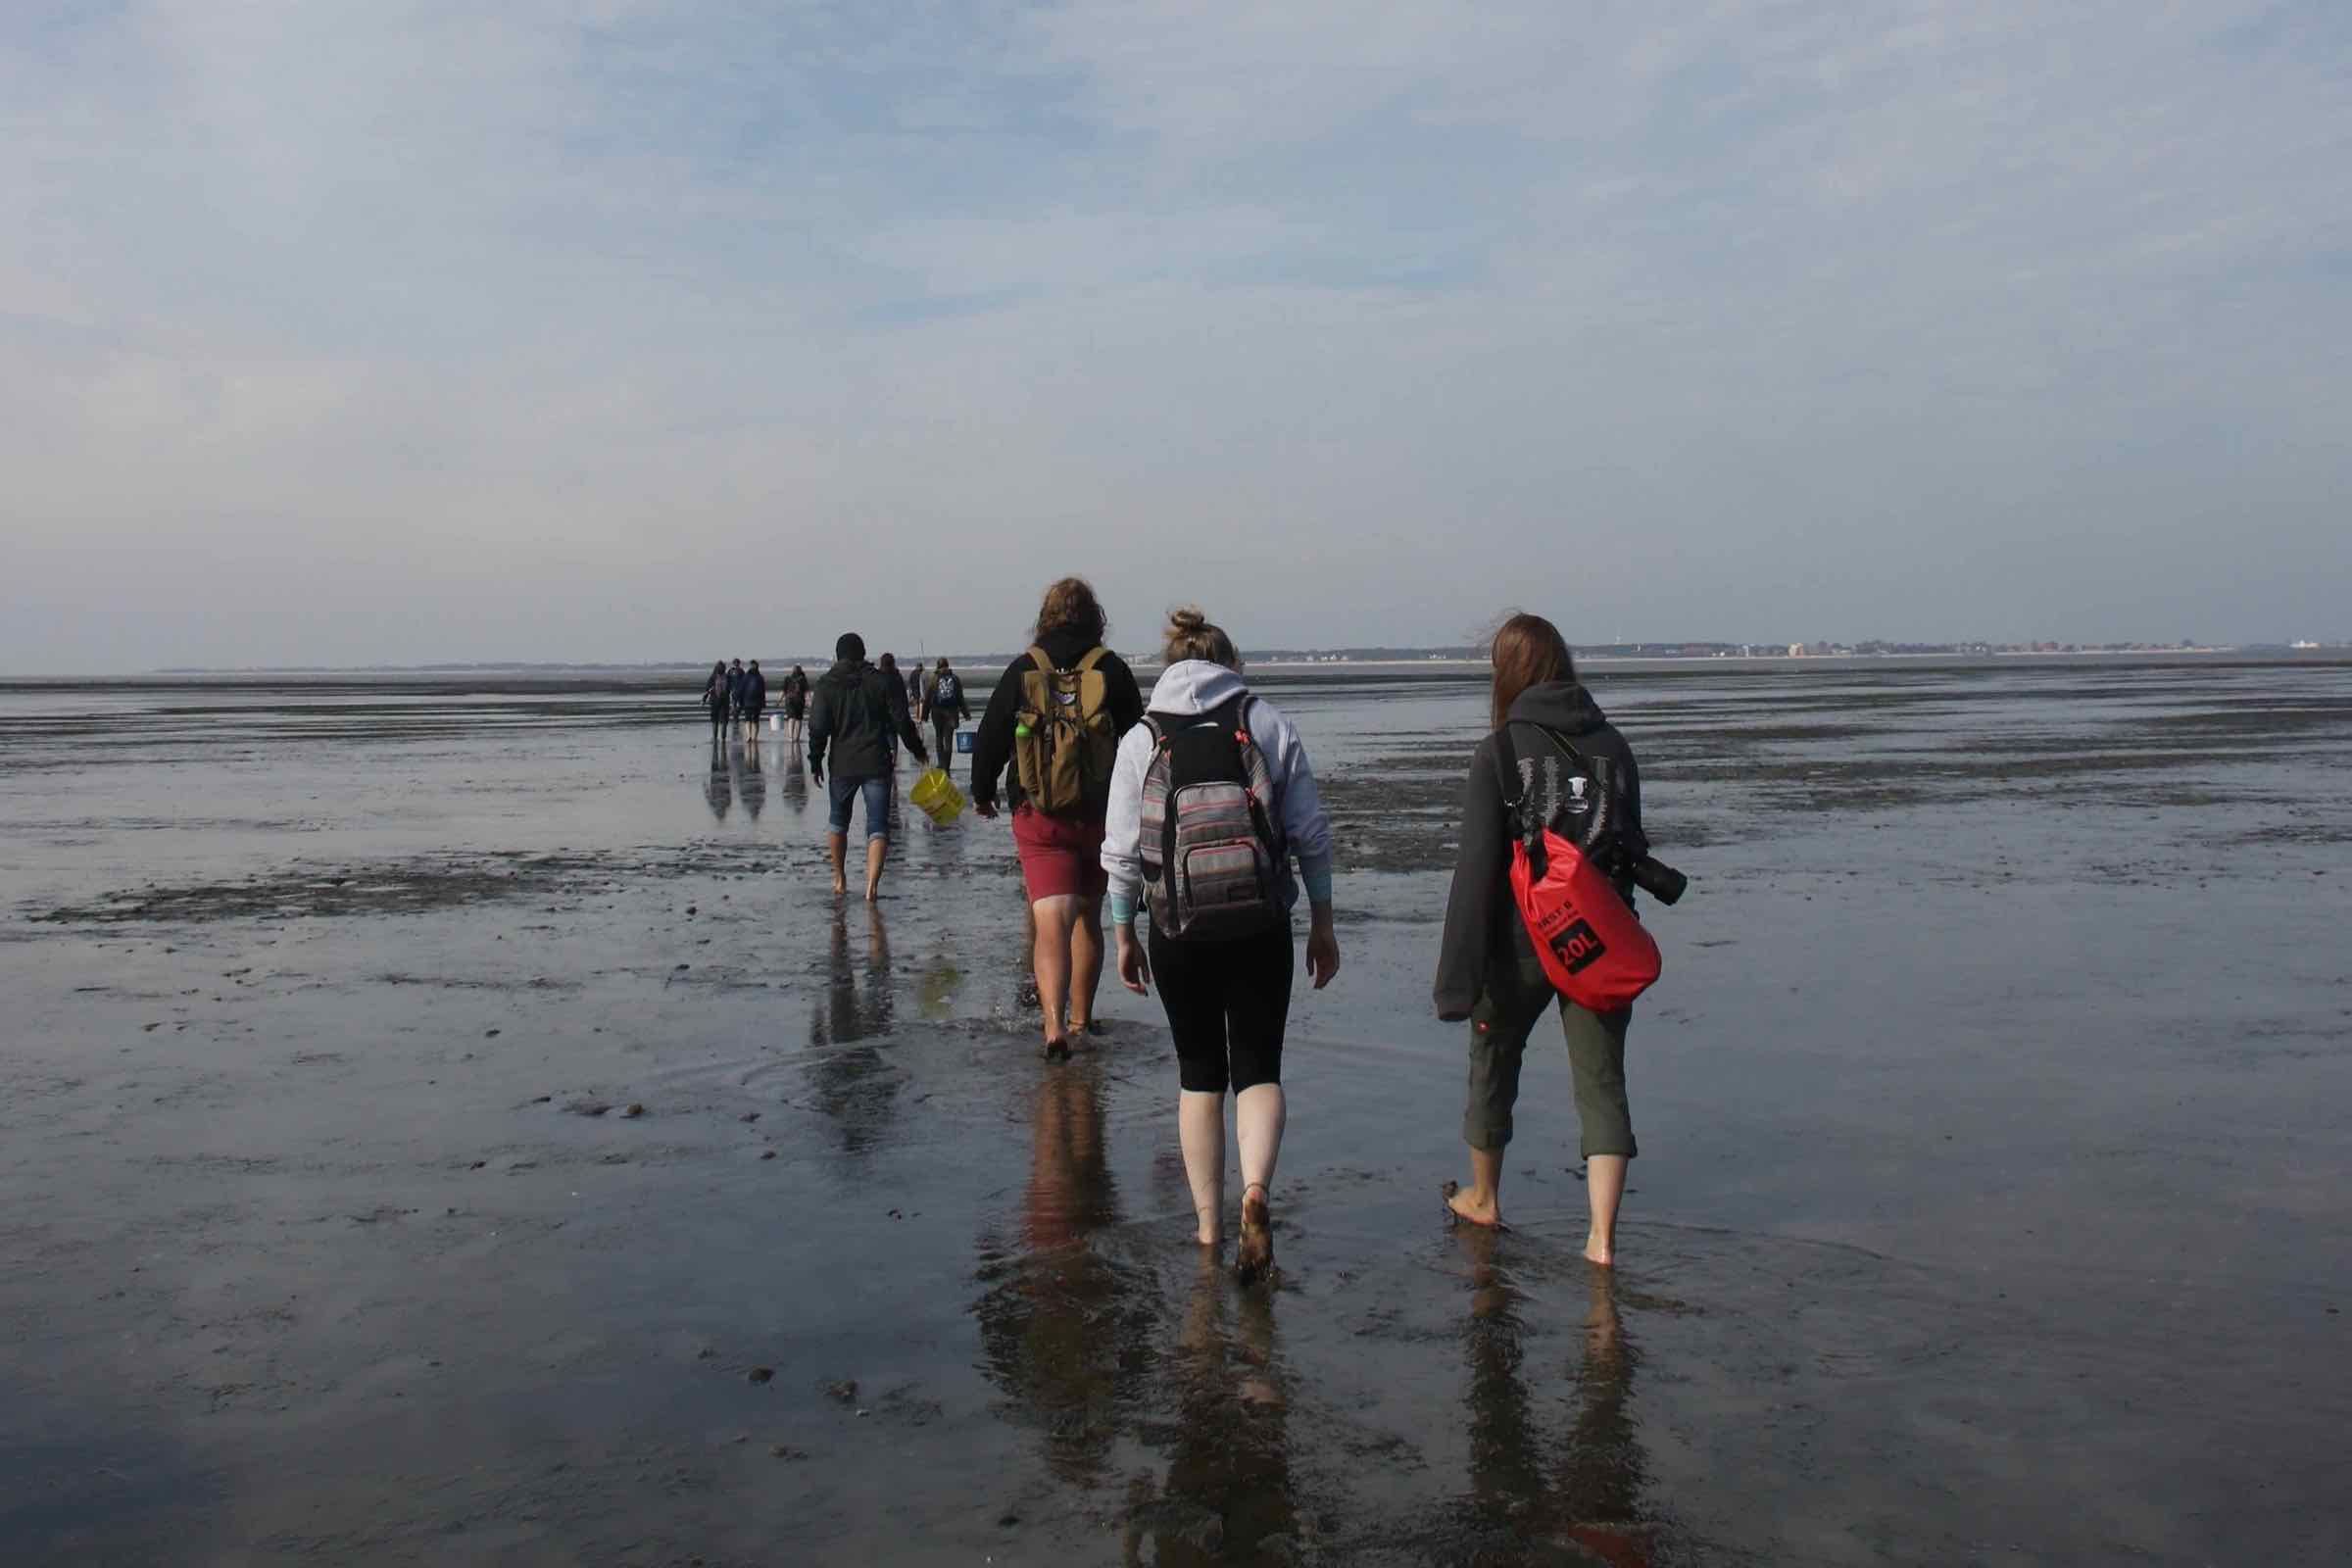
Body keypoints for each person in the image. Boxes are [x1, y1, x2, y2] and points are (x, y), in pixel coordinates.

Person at [1103, 608, 1339, 1284]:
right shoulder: (1266, 722)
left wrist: (1124, 934)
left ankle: (1208, 1227)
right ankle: (1257, 1193)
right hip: (1261, 922)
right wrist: (1321, 921)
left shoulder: (1142, 736)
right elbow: (1310, 835)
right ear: (1230, 663)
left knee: (1199, 1075)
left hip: (1175, 928)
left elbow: (1121, 854)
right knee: (1259, 1069)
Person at [1434, 612, 1652, 1266]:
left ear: (1508, 674)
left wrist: (1456, 984)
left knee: (1493, 1063)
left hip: (1519, 941)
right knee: (1603, 1085)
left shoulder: (1499, 752)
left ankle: (1484, 1197)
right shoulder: (1616, 747)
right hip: (1598, 942)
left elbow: (1476, 873)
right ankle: (1602, 1239)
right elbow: (1630, 851)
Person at [971, 577, 1146, 1059]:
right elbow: (1138, 742)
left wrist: (982, 793)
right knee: (1088, 917)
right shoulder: (1110, 669)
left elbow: (989, 738)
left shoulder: (1025, 668)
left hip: (1038, 813)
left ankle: (1052, 1029)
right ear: (1096, 618)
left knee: (1050, 921)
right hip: (1100, 814)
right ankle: (1081, 1019)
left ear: (1045, 616)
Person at [808, 632, 928, 902]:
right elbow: (901, 721)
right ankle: (871, 888)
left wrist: (815, 760)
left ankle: (839, 878)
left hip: (842, 764)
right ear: (863, 653)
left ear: (838, 655)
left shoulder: (827, 684)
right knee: (877, 825)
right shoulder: (880, 682)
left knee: (838, 821)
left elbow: (817, 728)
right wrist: (918, 750)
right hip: (876, 762)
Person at [926, 658, 970, 776]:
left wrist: (924, 715)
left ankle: (941, 763)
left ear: (938, 666)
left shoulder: (934, 679)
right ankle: (947, 766)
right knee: (948, 740)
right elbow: (960, 698)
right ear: (947, 665)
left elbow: (928, 698)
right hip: (951, 713)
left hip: (936, 713)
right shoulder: (955, 679)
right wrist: (966, 714)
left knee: (939, 737)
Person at [877, 653, 904, 765]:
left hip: (880, 719)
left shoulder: (877, 677)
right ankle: (892, 763)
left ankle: (883, 763)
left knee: (881, 744)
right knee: (893, 743)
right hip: (894, 718)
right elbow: (902, 699)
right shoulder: (897, 677)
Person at [700, 660, 730, 743]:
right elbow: (731, 689)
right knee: (724, 721)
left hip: (714, 701)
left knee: (715, 720)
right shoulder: (727, 677)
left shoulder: (713, 677)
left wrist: (703, 700)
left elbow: (707, 690)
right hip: (725, 701)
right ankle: (723, 739)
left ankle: (715, 738)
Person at [781, 663, 810, 745]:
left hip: (789, 701)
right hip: (799, 701)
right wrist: (809, 701)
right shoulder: (803, 679)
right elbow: (807, 692)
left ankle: (790, 737)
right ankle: (796, 737)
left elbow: (783, 691)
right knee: (798, 719)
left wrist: (779, 701)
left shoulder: (787, 678)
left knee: (791, 718)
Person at [739, 659, 767, 739]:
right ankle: (754, 737)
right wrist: (763, 702)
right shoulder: (760, 677)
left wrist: (740, 701)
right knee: (755, 720)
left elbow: (741, 689)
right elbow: (763, 691)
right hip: (757, 702)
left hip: (747, 701)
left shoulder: (746, 676)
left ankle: (749, 736)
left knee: (748, 719)